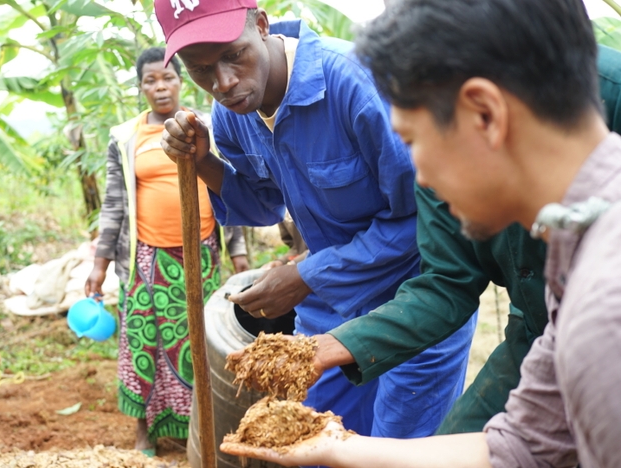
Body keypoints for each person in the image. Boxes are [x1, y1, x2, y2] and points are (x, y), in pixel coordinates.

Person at [220, 0, 621, 466]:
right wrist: (339, 447)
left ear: (485, 114)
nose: (421, 182)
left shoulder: (601, 313)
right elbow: (526, 443)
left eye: (412, 142)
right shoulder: (572, 265)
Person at [155, 0, 479, 442]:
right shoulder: (235, 113)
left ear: (263, 26)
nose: (224, 82)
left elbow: (425, 218)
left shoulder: (355, 84)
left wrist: (306, 275)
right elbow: (262, 204)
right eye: (201, 69)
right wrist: (204, 162)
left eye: (234, 55)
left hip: (416, 301)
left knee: (396, 449)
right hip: (329, 307)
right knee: (315, 441)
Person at [84, 47, 248, 454]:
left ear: (181, 80)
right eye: (150, 80)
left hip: (203, 254)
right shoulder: (125, 137)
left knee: (199, 344)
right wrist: (100, 265)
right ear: (141, 87)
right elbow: (114, 204)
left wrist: (240, 254)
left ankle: (201, 430)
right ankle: (145, 432)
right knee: (143, 342)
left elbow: (229, 186)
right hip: (144, 260)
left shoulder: (206, 126)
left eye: (168, 78)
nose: (160, 87)